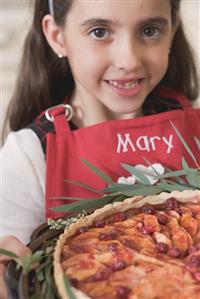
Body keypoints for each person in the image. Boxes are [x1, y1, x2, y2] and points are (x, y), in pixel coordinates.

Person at [0, 0, 199, 297]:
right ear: (58, 36)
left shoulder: (194, 126)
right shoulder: (28, 156)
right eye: (99, 31)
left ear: (172, 31)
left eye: (149, 30)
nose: (129, 60)